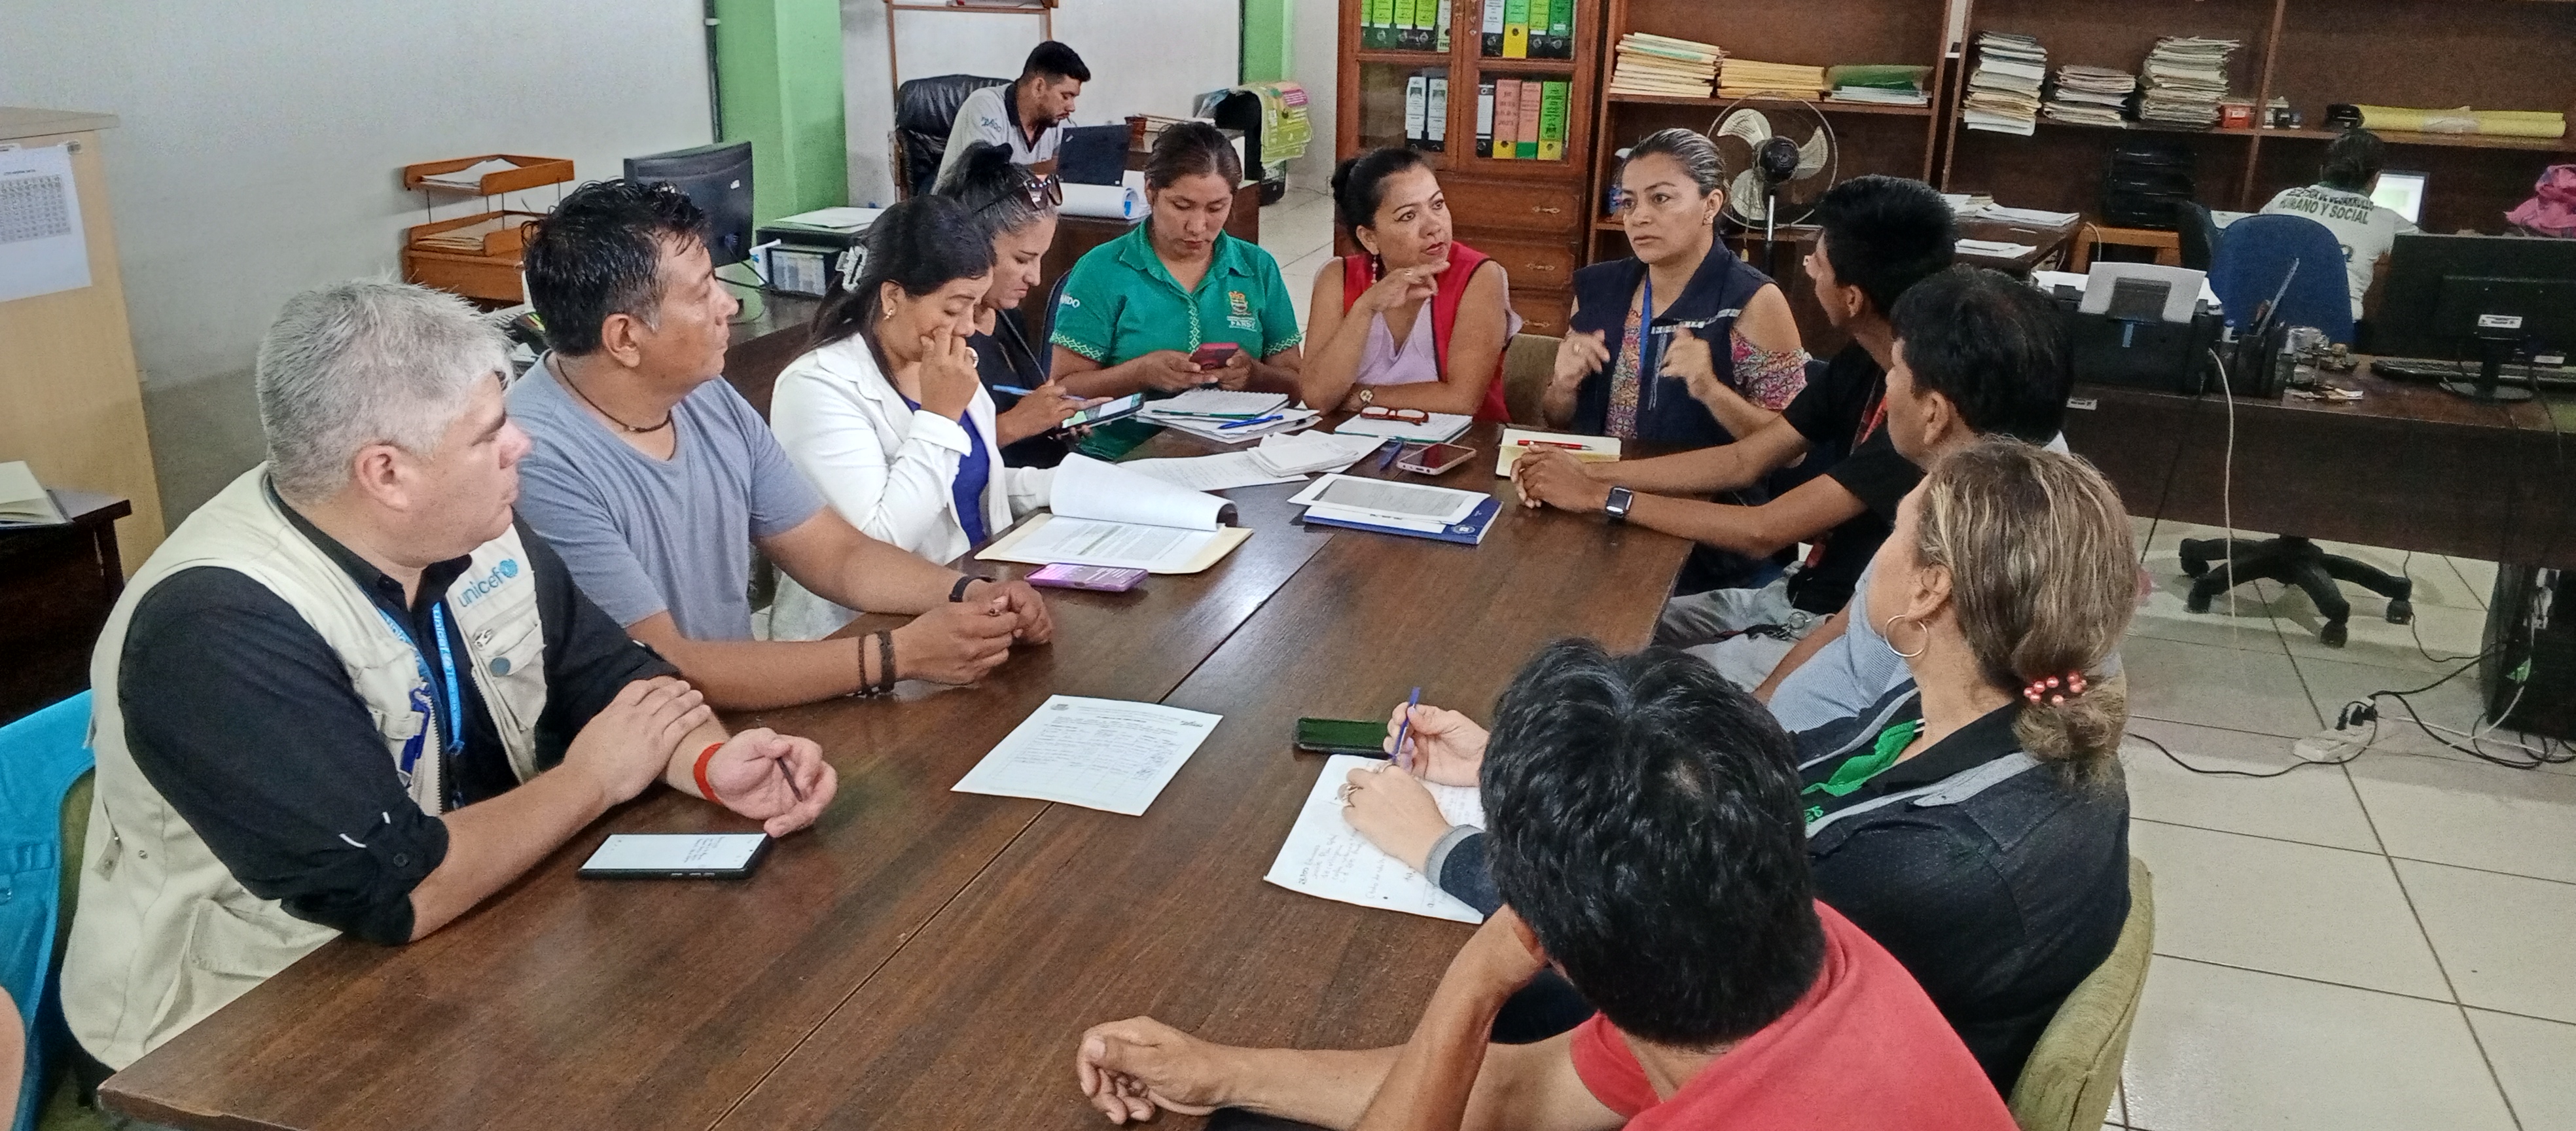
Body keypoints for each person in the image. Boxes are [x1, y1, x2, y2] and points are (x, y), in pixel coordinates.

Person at [62, 281, 835, 1075]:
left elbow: (626, 683)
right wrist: (595, 780)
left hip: (473, 943)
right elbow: (398, 891)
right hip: (235, 1036)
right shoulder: (215, 628)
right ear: (387, 474)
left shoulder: (468, 519)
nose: (521, 445)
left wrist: (711, 764)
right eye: (491, 432)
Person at [1348, 440, 2136, 1094]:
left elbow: (1658, 950)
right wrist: (1527, 767)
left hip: (1766, 1070)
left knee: (1386, 1007)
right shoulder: (1981, 704)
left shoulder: (1931, 859)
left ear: (1931, 589)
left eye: (1895, 535)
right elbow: (1749, 787)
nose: (1878, 559)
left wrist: (1437, 846)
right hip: (1775, 1025)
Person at [1073, 641, 2015, 1131]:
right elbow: (1524, 1095)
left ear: (1555, 942)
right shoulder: (1791, 943)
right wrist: (1225, 1071)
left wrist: (1472, 982)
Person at [510, 179, 1054, 710]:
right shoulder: (537, 456)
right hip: (635, 752)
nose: (729, 305)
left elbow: (838, 554)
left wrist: (970, 594)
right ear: (625, 338)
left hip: (730, 719)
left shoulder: (706, 397)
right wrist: (898, 654)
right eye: (703, 292)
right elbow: (666, 663)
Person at [1518, 175, 1956, 685]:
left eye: (1818, 263)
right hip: (1791, 594)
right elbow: (1743, 459)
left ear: (1852, 297)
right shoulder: (1864, 360)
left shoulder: (1921, 413)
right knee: (1578, 634)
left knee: (1612, 681)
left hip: (1833, 628)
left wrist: (1603, 497)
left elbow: (1762, 530)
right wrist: (1585, 472)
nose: (1810, 270)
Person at [1759, 266, 2077, 730]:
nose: (1886, 386)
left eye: (1895, 372)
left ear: (1934, 414)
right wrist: (1758, 707)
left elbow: (1904, 743)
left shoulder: (1973, 551)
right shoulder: (1979, 473)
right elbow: (1851, 627)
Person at [766, 194, 1060, 640]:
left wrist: (1073, 486)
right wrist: (941, 417)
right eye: (952, 307)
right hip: (864, 637)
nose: (966, 327)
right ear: (892, 297)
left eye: (975, 305)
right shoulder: (817, 387)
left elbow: (977, 485)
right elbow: (875, 548)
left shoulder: (941, 359)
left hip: (972, 598)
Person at [1536, 128, 1806, 448]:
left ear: (1711, 204)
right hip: (1597, 484)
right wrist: (1563, 387)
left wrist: (1710, 390)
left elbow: (1793, 449)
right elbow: (1557, 420)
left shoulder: (1754, 300)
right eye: (1629, 202)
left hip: (1699, 492)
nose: (1639, 217)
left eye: (1660, 198)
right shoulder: (1597, 289)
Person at [1050, 122, 1304, 399]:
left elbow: (1297, 384)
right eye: (1182, 206)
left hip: (1237, 435)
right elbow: (1063, 389)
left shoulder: (1257, 267)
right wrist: (1140, 373)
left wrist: (1255, 375)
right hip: (1127, 439)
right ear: (1150, 191)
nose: (1197, 226)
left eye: (1216, 208)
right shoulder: (1102, 269)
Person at [1296, 147, 1520, 419]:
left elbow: (1461, 400)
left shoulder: (1480, 276)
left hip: (1463, 447)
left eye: (1437, 205)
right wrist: (1365, 308)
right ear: (1370, 239)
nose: (1433, 226)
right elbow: (1317, 397)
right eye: (1408, 216)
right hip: (1356, 445)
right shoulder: (1336, 277)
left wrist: (1362, 397)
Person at [937, 142, 1099, 468]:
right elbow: (927, 455)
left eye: (1041, 259)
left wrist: (1055, 418)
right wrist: (1014, 426)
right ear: (974, 245)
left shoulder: (1006, 313)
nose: (1036, 278)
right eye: (1023, 259)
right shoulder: (940, 336)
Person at [2257, 128, 2416, 321]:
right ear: (2376, 179)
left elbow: (2252, 248)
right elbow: (2435, 254)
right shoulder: (2388, 221)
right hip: (2335, 332)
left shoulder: (2283, 199)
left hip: (2268, 321)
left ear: (2322, 170)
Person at [937, 41, 1090, 183]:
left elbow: (1075, 169)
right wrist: (1048, 168)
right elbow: (984, 180)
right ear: (1039, 87)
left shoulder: (1056, 121)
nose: (1072, 107)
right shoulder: (985, 105)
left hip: (1019, 210)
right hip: (959, 209)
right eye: (1066, 96)